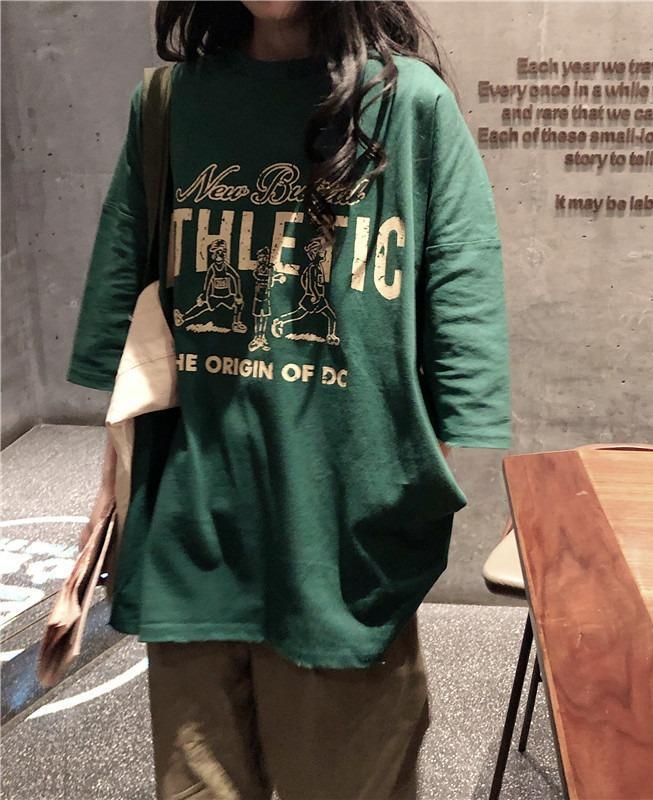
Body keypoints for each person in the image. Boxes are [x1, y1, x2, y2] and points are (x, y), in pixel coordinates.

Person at [67, 2, 512, 799]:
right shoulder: (169, 104)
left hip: (340, 551)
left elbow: (463, 315)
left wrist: (397, 495)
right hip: (192, 546)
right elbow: (129, 338)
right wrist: (118, 495)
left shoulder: (407, 104)